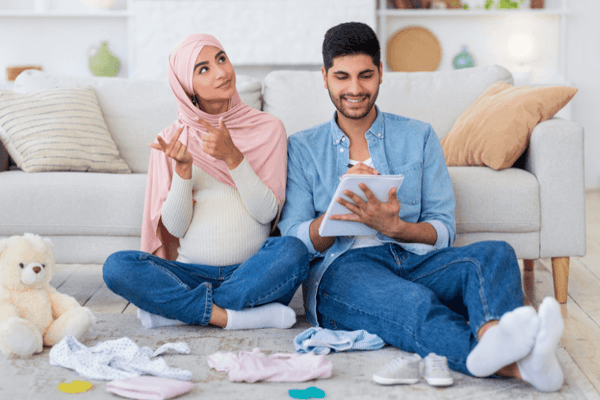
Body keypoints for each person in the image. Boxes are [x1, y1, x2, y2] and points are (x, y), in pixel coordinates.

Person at [277, 22, 564, 392]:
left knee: (494, 254)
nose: (354, 89)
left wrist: (396, 227)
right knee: (414, 302)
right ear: (325, 77)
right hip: (344, 271)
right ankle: (520, 368)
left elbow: (443, 228)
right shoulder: (302, 147)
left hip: (411, 257)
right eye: (342, 77)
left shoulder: (419, 136)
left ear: (381, 73)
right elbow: (292, 239)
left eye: (365, 75)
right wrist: (337, 217)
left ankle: (494, 335)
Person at [103, 33, 309, 331]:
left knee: (293, 251)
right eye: (204, 69)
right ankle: (233, 317)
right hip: (191, 274)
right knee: (117, 267)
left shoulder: (268, 128)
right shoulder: (173, 140)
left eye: (222, 59)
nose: (222, 72)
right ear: (188, 88)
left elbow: (266, 214)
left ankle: (178, 310)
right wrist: (184, 170)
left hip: (252, 271)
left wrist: (233, 157)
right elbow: (175, 229)